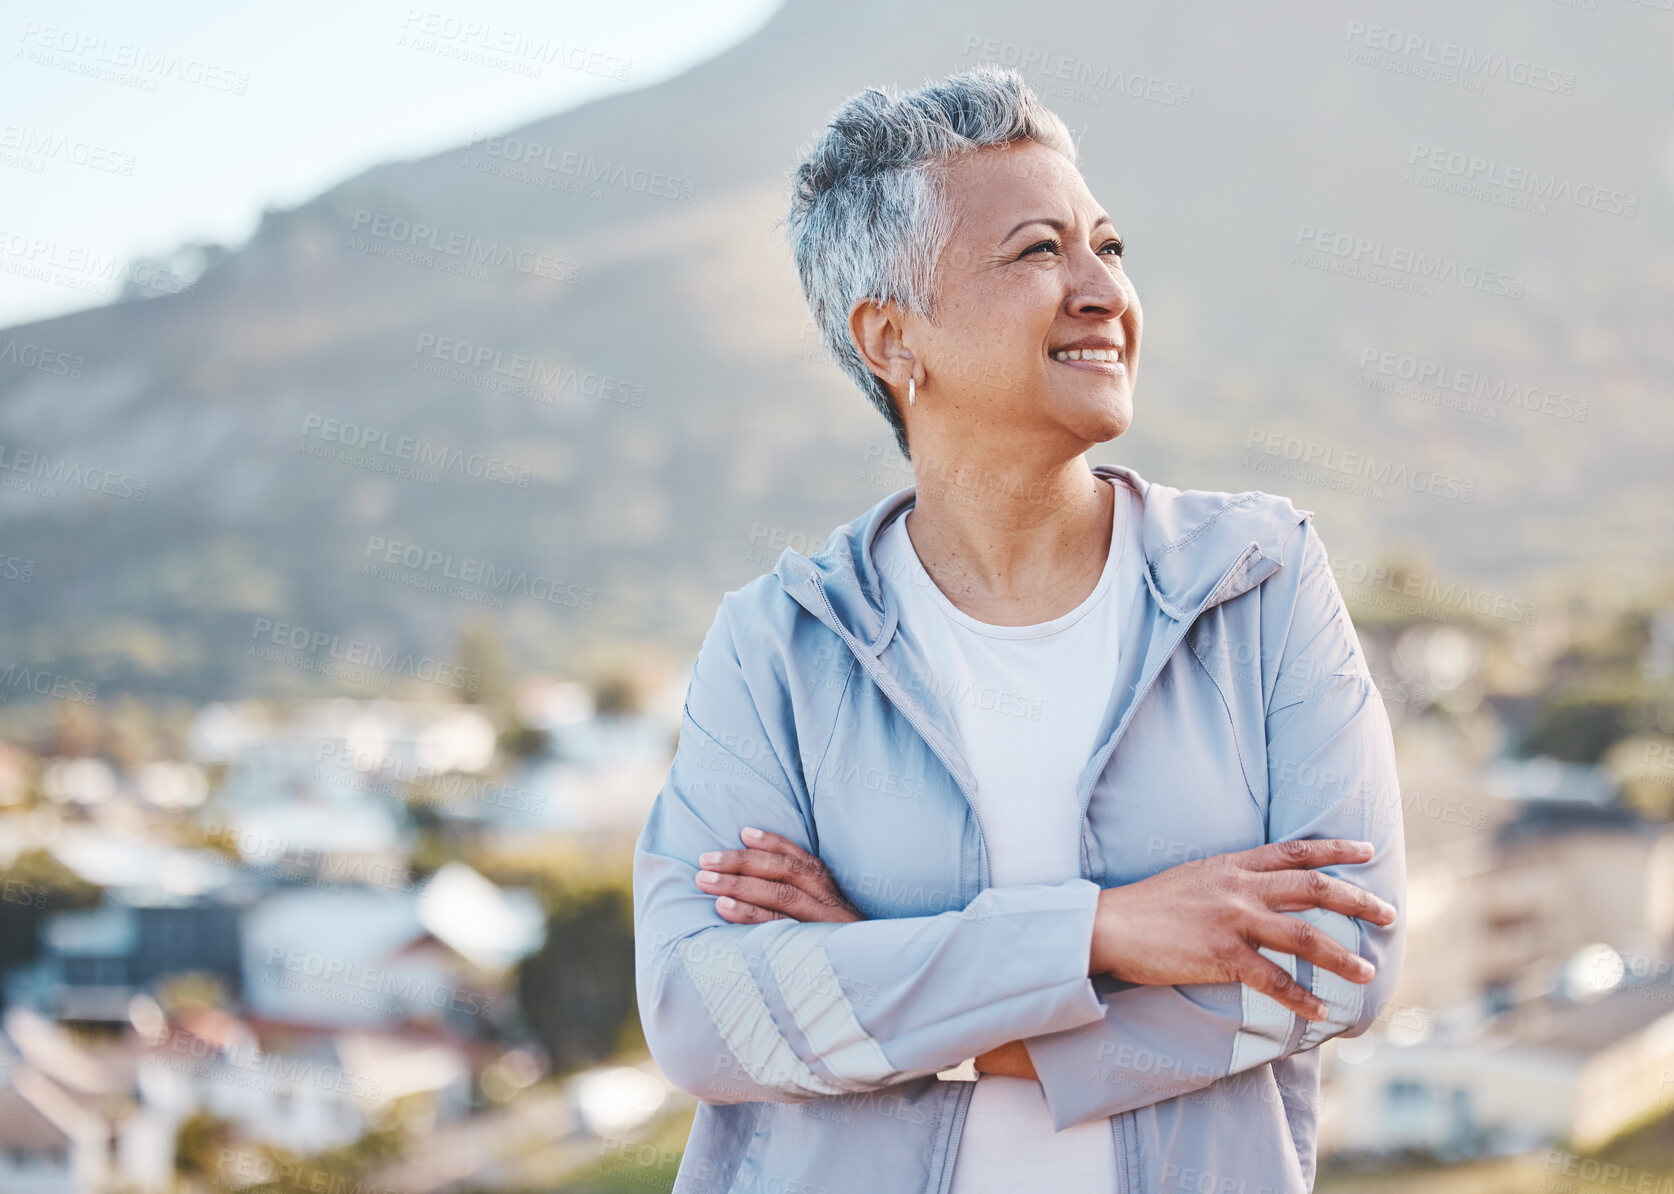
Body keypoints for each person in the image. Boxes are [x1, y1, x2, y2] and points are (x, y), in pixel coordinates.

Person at [632, 63, 1405, 1194]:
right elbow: (706, 1018)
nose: (1101, 290)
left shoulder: (1259, 579)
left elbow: (1343, 963)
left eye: (1109, 247)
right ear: (895, 339)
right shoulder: (778, 644)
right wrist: (1096, 934)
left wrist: (892, 995)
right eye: (1040, 252)